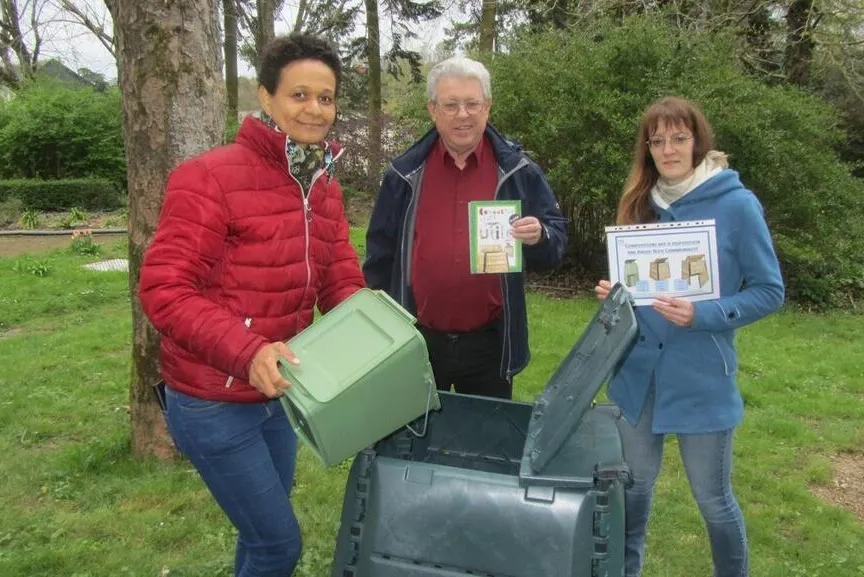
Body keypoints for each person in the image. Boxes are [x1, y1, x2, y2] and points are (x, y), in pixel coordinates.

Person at [138, 34, 365, 577]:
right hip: (213, 399)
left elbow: (338, 276)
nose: (315, 109)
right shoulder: (209, 177)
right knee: (276, 544)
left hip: (280, 392)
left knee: (260, 532)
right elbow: (164, 289)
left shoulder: (322, 186)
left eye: (326, 98)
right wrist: (248, 352)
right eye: (299, 95)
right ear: (266, 98)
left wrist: (373, 328)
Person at [595, 96, 784, 577]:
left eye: (679, 138)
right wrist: (614, 297)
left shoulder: (736, 204)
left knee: (714, 501)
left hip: (701, 376)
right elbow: (635, 287)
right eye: (657, 141)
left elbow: (768, 290)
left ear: (698, 141)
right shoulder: (639, 201)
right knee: (630, 497)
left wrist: (704, 314)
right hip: (637, 377)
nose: (668, 149)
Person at [363, 56, 567, 400]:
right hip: (419, 340)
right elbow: (379, 256)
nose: (462, 114)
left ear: (487, 107)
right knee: (420, 445)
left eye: (472, 104)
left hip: (490, 342)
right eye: (451, 104)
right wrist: (386, 327)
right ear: (432, 109)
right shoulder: (403, 175)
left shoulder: (518, 171)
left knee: (486, 446)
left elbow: (556, 240)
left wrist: (540, 235)